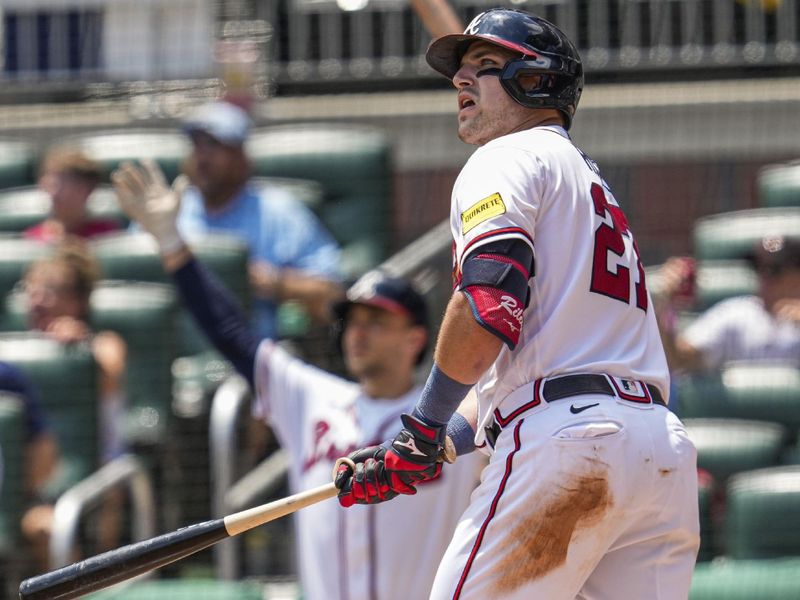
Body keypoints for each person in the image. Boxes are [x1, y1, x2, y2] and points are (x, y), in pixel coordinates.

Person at [330, 9, 700, 600]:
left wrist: (419, 426)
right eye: (461, 71)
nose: (460, 81)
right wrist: (436, 440)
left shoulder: (505, 157)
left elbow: (487, 304)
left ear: (537, 79)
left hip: (569, 448)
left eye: (485, 66)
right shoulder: (588, 182)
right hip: (658, 449)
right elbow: (537, 362)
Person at [111, 159, 486, 600]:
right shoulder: (312, 398)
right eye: (352, 320)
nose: (358, 332)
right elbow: (231, 335)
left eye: (377, 321)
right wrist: (172, 243)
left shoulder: (462, 415)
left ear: (417, 338)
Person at [164, 99, 343, 340]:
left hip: (254, 355)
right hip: (176, 351)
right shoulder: (169, 208)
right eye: (196, 144)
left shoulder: (278, 211)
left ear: (242, 157)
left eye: (213, 145)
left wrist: (275, 283)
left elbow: (332, 294)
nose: (202, 157)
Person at [20, 241, 127, 568]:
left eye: (50, 291)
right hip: (25, 479)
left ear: (78, 301)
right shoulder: (14, 352)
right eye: (32, 290)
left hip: (97, 474)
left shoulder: (102, 343)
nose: (38, 300)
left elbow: (111, 369)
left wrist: (81, 347)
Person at [654, 235, 800, 373]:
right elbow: (680, 360)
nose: (764, 277)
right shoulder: (737, 313)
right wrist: (665, 307)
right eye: (757, 267)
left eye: (774, 270)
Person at [0, 361, 60, 572]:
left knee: (49, 530)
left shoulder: (6, 376)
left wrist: (19, 497)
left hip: (17, 502)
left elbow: (44, 447)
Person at [25, 147, 121, 244]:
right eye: (51, 185)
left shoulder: (106, 235)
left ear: (87, 189)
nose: (55, 193)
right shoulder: (34, 238)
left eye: (63, 185)